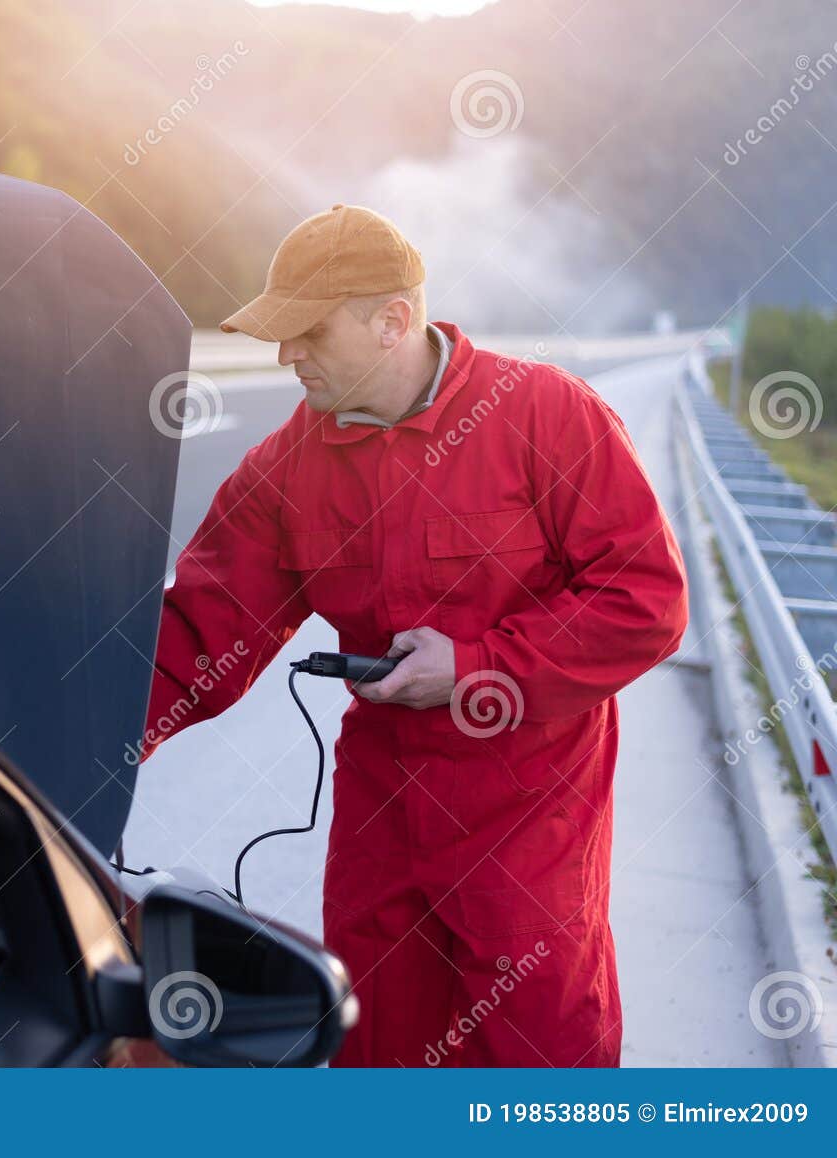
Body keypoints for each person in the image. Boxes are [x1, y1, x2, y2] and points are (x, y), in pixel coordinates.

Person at [141, 204, 688, 1066]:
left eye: (307, 333)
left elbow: (644, 601)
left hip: (529, 807)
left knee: (536, 1044)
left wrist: (473, 668)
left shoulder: (545, 415)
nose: (286, 356)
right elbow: (200, 637)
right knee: (379, 1041)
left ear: (392, 321)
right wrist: (72, 749)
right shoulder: (286, 467)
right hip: (383, 808)